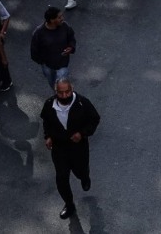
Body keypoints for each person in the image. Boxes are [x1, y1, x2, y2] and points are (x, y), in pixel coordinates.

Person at [40, 78, 101, 220]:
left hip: (78, 147)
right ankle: (69, 204)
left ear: (71, 89)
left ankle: (84, 177)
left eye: (67, 92)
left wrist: (82, 133)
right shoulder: (49, 105)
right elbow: (46, 122)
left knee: (80, 170)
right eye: (61, 93)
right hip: (59, 147)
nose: (64, 95)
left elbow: (94, 119)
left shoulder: (82, 103)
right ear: (56, 92)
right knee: (61, 178)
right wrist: (47, 136)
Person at [31, 6, 77, 88]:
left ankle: (60, 95)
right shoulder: (39, 33)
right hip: (47, 66)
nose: (62, 18)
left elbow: (71, 38)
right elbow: (34, 50)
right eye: (59, 17)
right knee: (53, 84)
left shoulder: (65, 26)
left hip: (62, 64)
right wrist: (42, 61)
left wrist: (71, 47)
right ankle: (57, 95)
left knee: (61, 85)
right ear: (52, 20)